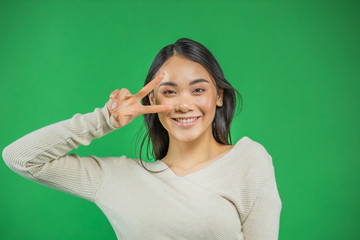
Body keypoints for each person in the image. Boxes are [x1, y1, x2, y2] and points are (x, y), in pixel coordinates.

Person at [2, 38, 282, 239]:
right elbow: (21, 157)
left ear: (219, 96)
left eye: (198, 90)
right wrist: (105, 119)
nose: (184, 105)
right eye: (170, 92)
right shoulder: (116, 179)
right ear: (152, 98)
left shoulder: (249, 161)